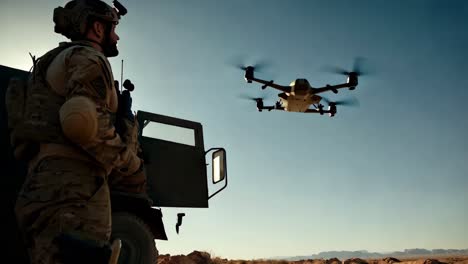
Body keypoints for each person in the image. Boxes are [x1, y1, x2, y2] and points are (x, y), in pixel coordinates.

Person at [11, 0, 146, 263]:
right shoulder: (89, 57)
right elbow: (82, 124)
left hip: (45, 183)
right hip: (75, 189)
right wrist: (132, 164)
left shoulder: (49, 64)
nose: (116, 36)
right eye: (113, 28)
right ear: (97, 28)